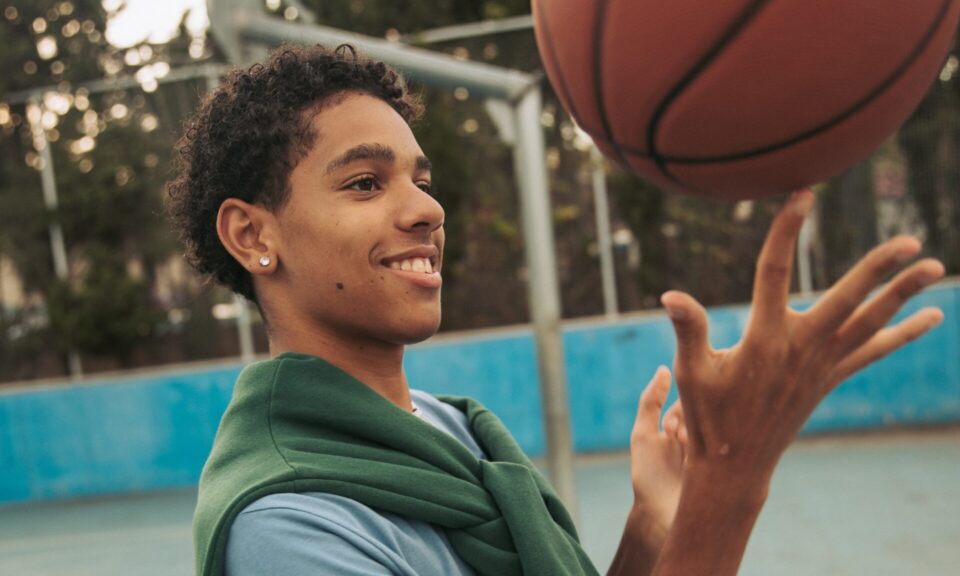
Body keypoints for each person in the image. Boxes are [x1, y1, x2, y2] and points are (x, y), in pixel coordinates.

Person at [166, 45, 946, 576]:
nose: (426, 210)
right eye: (366, 183)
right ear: (252, 233)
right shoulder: (292, 530)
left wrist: (650, 533)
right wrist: (732, 478)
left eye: (421, 179)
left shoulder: (448, 430)